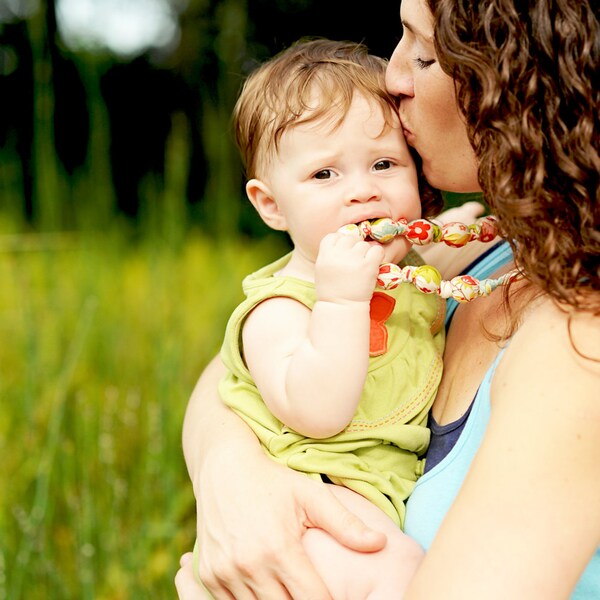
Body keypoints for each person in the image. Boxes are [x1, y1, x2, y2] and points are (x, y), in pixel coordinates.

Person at [176, 0, 600, 597]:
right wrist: (234, 480)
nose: (392, 78)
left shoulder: (577, 343)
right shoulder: (476, 255)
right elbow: (231, 369)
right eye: (326, 174)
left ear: (528, 82)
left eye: (424, 53)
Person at [191, 37, 501, 598]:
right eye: (324, 176)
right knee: (398, 574)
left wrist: (456, 225)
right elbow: (318, 412)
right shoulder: (281, 309)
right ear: (271, 205)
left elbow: (424, 263)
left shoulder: (409, 267)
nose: (362, 192)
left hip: (374, 490)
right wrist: (340, 303)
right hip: (315, 493)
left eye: (384, 165)